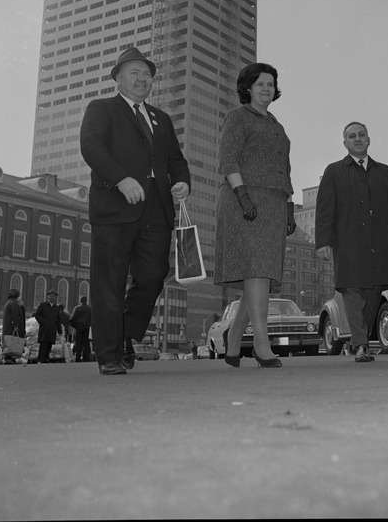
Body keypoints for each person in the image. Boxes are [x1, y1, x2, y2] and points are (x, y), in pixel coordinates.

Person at [80, 47, 191, 376]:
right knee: (109, 282)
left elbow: (175, 160)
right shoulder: (102, 109)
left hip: (156, 210)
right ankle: (109, 355)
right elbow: (92, 146)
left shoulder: (162, 118)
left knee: (154, 276)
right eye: (135, 73)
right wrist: (120, 179)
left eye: (147, 75)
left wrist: (182, 182)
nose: (143, 79)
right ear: (118, 78)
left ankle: (127, 334)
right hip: (114, 208)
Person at [213, 62, 295, 369]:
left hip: (274, 203)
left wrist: (288, 204)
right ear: (248, 88)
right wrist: (242, 194)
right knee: (258, 269)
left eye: (271, 84)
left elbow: (285, 167)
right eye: (260, 83)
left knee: (259, 275)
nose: (266, 88)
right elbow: (228, 158)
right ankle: (262, 344)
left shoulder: (276, 124)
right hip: (244, 199)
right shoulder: (237, 117)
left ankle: (233, 339)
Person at [315, 121, 388, 362]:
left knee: (375, 290)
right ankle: (361, 343)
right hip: (348, 245)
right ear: (344, 143)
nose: (357, 139)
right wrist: (323, 241)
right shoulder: (334, 171)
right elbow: (324, 210)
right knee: (352, 291)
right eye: (352, 136)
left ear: (368, 139)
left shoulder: (383, 171)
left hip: (380, 244)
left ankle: (360, 338)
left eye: (361, 135)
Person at [33, 290, 62, 363]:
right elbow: (37, 315)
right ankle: (40, 359)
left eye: (54, 296)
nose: (52, 297)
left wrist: (59, 330)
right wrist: (43, 322)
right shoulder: (43, 305)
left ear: (55, 297)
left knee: (50, 344)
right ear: (48, 296)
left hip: (52, 328)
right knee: (43, 344)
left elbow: (58, 319)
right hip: (44, 328)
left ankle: (46, 358)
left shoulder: (56, 307)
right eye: (50, 295)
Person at [1, 289, 26, 364]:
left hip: (7, 326)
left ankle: (9, 357)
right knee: (12, 341)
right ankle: (9, 357)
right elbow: (15, 315)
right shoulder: (13, 304)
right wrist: (16, 325)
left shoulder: (8, 303)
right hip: (11, 327)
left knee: (9, 341)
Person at [69, 295, 93, 362]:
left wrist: (75, 326)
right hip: (87, 328)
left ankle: (78, 358)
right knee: (86, 343)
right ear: (86, 300)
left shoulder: (77, 308)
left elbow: (71, 319)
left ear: (80, 300)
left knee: (78, 343)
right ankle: (86, 358)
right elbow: (92, 319)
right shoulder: (89, 309)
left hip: (79, 327)